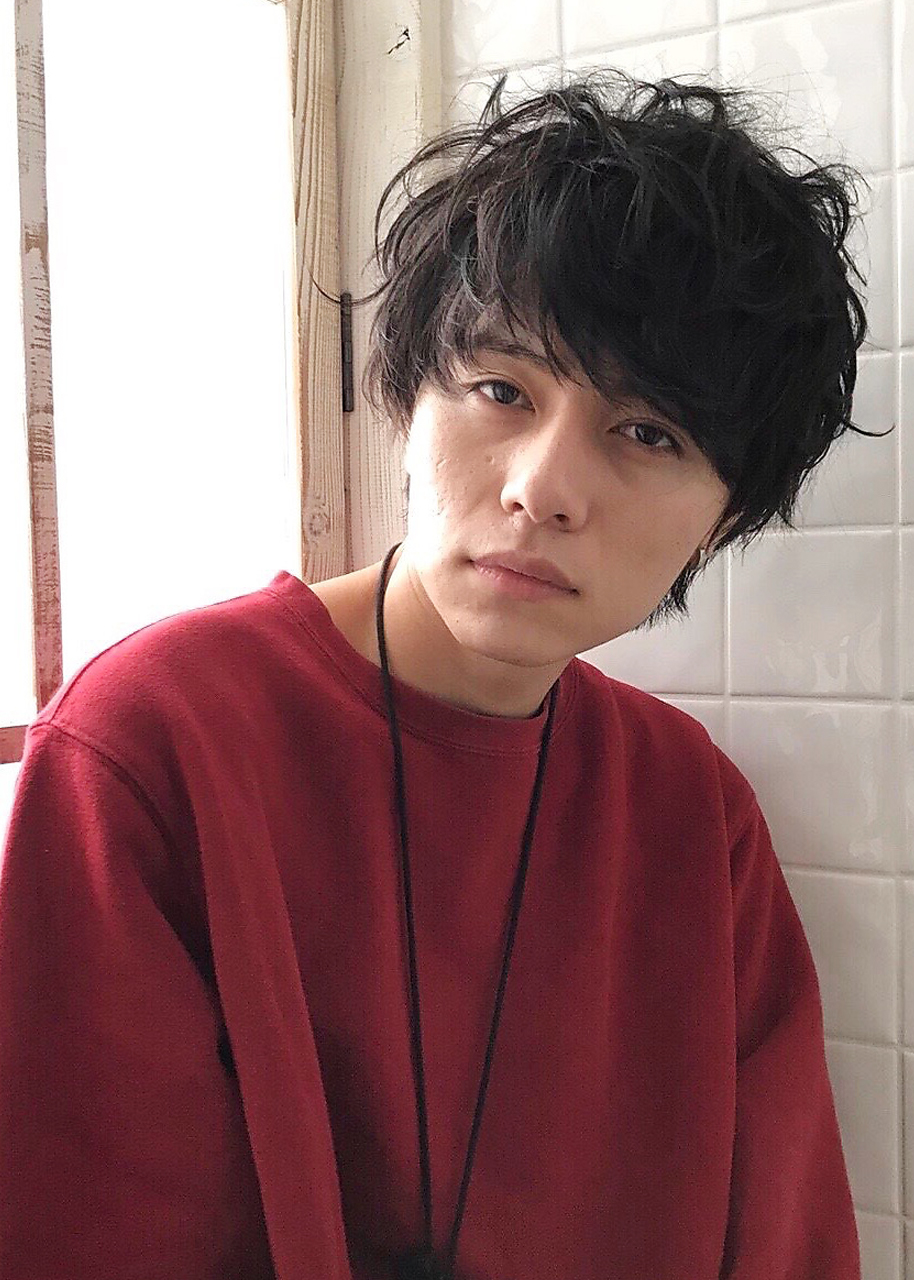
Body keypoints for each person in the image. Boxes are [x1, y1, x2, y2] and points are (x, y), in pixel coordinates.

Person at [0, 71, 879, 1280]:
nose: (540, 487)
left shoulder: (692, 814)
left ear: (723, 516)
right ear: (410, 398)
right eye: (500, 389)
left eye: (646, 433)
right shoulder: (155, 743)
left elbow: (788, 1242)